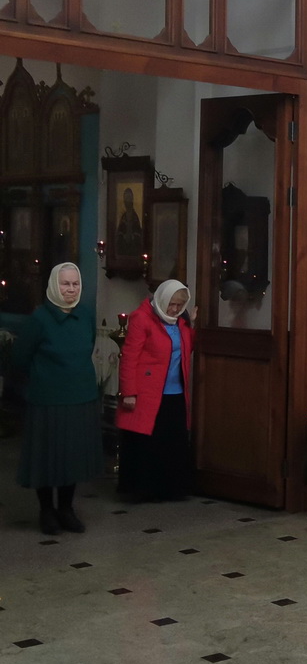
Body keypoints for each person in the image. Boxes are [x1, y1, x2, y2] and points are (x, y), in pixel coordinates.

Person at [13, 263, 103, 535]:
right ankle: (46, 511)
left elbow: (88, 345)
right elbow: (20, 357)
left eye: (75, 284)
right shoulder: (40, 319)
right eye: (65, 284)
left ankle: (66, 509)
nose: (71, 289)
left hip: (80, 396)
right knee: (46, 457)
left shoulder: (85, 315)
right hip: (47, 398)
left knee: (70, 457)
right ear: (54, 285)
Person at [117, 280, 197, 501]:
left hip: (175, 392)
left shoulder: (181, 321)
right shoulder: (141, 318)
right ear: (162, 300)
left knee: (171, 442)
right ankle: (142, 490)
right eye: (171, 304)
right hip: (147, 392)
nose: (174, 309)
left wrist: (193, 326)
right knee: (146, 443)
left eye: (179, 305)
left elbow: (187, 348)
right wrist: (129, 392)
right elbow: (129, 358)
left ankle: (170, 490)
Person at [116, 187, 144, 260]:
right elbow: (120, 233)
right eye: (126, 198)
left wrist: (132, 237)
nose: (127, 201)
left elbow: (138, 233)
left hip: (134, 251)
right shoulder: (123, 217)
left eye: (129, 198)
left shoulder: (135, 217)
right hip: (123, 252)